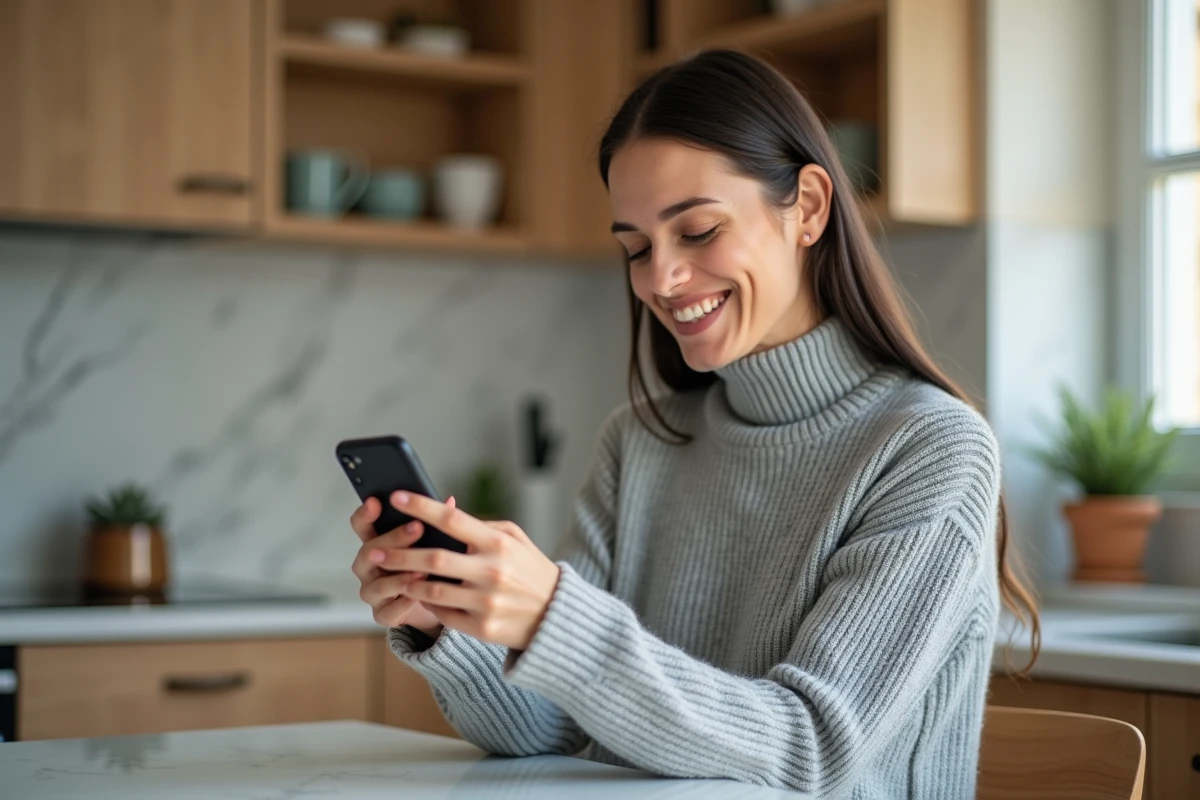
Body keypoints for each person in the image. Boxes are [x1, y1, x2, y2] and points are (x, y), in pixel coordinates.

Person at [350, 49, 1040, 799]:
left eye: (699, 231)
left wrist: (555, 615)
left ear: (808, 207)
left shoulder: (929, 447)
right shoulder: (640, 442)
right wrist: (451, 625)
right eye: (636, 248)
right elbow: (549, 726)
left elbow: (811, 749)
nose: (660, 279)